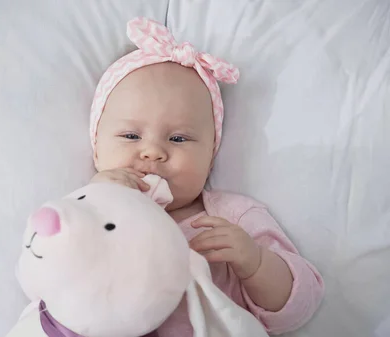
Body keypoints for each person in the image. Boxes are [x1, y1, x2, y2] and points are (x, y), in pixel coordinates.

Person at [89, 17, 324, 336]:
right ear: (96, 150)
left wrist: (254, 262)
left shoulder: (233, 215)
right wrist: (96, 202)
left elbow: (299, 306)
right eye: (131, 136)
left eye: (178, 139)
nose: (153, 152)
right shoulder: (87, 208)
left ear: (211, 156)